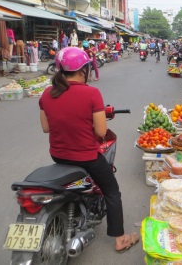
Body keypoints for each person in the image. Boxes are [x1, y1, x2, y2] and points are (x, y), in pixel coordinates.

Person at [38, 47, 139, 253]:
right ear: (84, 69)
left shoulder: (47, 93)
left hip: (58, 155)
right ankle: (120, 239)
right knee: (112, 191)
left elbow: (46, 128)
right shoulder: (91, 93)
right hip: (86, 157)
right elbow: (101, 132)